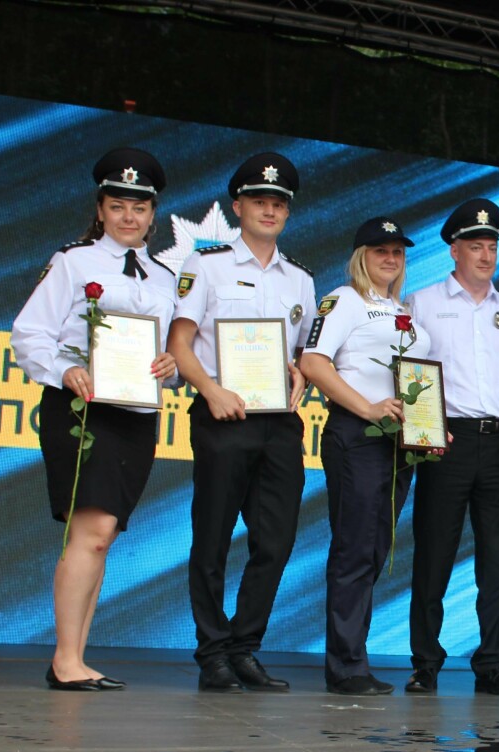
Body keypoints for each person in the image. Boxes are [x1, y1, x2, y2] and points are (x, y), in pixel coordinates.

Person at [10, 147, 178, 690]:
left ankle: (74, 656)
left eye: (140, 207)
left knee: (104, 537)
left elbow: (167, 356)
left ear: (154, 215)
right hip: (81, 406)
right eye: (118, 206)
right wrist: (65, 371)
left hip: (135, 414)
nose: (130, 217)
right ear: (101, 209)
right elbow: (29, 334)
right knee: (92, 530)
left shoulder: (163, 275)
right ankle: (65, 660)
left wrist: (171, 368)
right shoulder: (74, 262)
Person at [168, 152, 313, 693]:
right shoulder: (205, 265)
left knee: (274, 541)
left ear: (287, 212)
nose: (269, 210)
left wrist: (300, 374)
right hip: (222, 420)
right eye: (259, 201)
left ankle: (246, 647)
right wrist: (210, 390)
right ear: (238, 207)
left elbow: (297, 356)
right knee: (212, 538)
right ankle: (213, 654)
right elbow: (179, 344)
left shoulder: (300, 279)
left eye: (278, 203)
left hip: (279, 424)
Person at [297, 217, 430, 696]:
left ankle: (353, 656)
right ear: (361, 256)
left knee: (374, 548)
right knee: (355, 547)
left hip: (397, 441)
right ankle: (347, 666)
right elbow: (313, 362)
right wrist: (367, 407)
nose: (390, 259)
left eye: (397, 251)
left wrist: (431, 427)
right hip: (357, 432)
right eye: (380, 251)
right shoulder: (343, 300)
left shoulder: (406, 311)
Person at [404, 199, 499, 696]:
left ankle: (492, 665)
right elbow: (409, 371)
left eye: (492, 246)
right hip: (445, 442)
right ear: (454, 249)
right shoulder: (421, 302)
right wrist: (424, 431)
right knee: (433, 555)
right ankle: (425, 664)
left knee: (498, 560)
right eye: (475, 245)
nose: (485, 254)